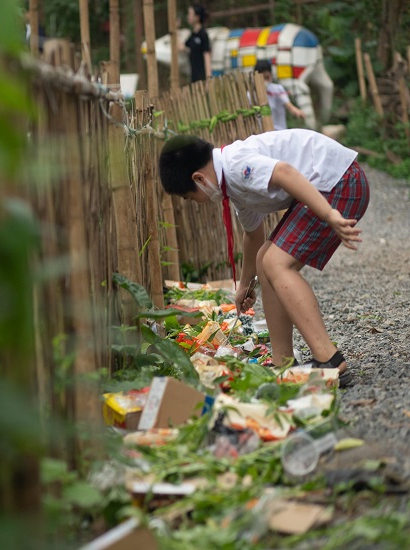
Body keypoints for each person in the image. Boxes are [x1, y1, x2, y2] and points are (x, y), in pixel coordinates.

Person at [158, 130, 370, 386]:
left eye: (190, 197)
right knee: (264, 258)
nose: (195, 203)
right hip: (328, 186)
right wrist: (245, 286)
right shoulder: (231, 184)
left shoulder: (236, 166)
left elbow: (284, 173)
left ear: (199, 179)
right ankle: (283, 363)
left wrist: (328, 214)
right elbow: (253, 237)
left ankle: (329, 359)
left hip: (339, 183)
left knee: (275, 262)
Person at [254, 59, 305, 131]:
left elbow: (289, 106)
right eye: (262, 78)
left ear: (271, 75)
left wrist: (297, 112)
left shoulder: (277, 89)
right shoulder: (251, 95)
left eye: (267, 77)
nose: (265, 81)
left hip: (279, 132)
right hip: (261, 134)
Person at [181, 4, 211, 82]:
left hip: (202, 78)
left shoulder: (203, 34)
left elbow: (207, 56)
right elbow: (181, 47)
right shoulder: (192, 35)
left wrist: (208, 78)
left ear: (197, 17)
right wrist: (176, 29)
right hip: (193, 77)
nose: (188, 16)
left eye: (190, 14)